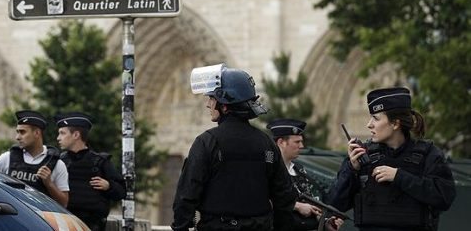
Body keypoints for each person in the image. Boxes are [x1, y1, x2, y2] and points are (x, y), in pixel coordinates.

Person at [172, 64, 296, 231]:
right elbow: (284, 196)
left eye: (211, 98)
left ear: (224, 105)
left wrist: (181, 227)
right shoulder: (266, 143)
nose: (208, 104)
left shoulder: (206, 142)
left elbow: (186, 196)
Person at [325, 87, 456, 230]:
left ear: (395, 124)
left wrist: (399, 176)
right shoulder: (362, 156)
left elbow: (444, 197)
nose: (369, 124)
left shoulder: (428, 154)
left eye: (376, 118)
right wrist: (351, 169)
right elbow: (334, 204)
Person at [267, 119, 343, 231]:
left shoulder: (299, 169)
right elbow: (262, 201)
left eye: (301, 142)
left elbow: (309, 203)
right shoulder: (267, 170)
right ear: (281, 142)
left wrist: (326, 223)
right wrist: (296, 206)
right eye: (297, 142)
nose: (302, 146)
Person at [55, 112, 125, 231]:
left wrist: (108, 186)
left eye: (62, 133)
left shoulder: (100, 162)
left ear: (76, 135)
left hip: (92, 225)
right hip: (64, 223)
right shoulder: (59, 161)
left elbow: (122, 192)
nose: (58, 138)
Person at [0, 110, 69, 207]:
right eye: (17, 132)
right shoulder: (7, 158)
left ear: (37, 133)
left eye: (22, 132)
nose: (17, 137)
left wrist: (49, 184)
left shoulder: (56, 164)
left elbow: (64, 204)